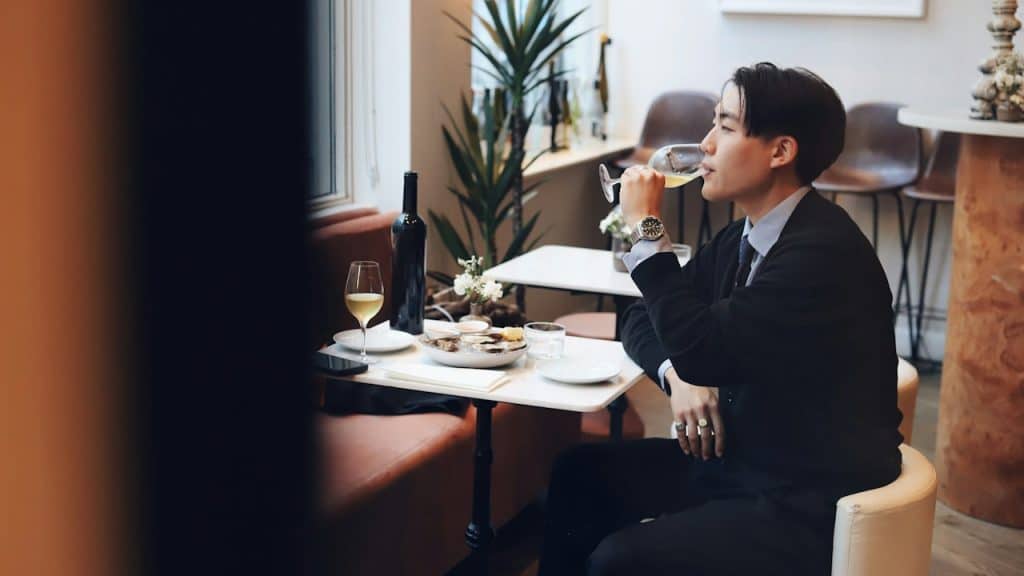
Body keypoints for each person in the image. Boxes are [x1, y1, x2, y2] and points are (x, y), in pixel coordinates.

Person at [538, 62, 904, 576]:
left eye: (726, 127)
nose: (706, 143)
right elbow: (642, 318)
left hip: (806, 498)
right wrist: (677, 378)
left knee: (618, 562)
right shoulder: (743, 238)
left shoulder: (822, 253)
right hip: (740, 461)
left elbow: (702, 348)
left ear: (781, 150)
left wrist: (647, 230)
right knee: (579, 474)